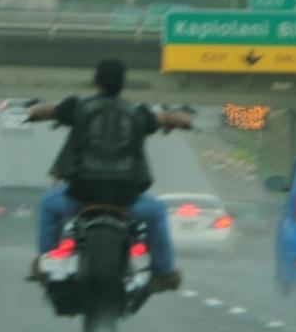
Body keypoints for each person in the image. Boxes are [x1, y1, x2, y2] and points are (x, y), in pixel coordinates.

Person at [26, 58, 194, 292]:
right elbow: (167, 118)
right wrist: (183, 120)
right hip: (126, 197)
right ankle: (164, 273)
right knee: (156, 213)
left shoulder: (78, 108)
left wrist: (32, 112)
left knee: (47, 205)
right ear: (123, 85)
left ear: (96, 81)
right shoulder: (137, 114)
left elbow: (48, 111)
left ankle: (46, 264)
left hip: (80, 194)